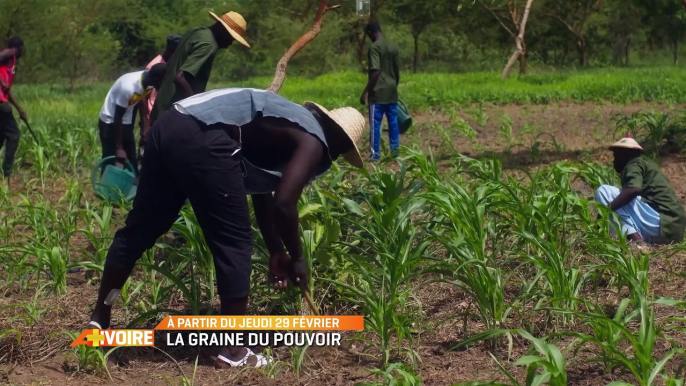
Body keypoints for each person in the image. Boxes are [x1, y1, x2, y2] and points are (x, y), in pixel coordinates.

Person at [86, 88, 364, 368]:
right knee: (235, 242)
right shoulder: (314, 140)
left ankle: (99, 320)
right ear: (338, 146)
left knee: (140, 230)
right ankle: (232, 351)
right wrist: (299, 259)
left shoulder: (288, 121)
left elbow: (262, 190)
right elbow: (285, 203)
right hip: (203, 137)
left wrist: (276, 250)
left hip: (170, 125)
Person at [149, 11, 250, 125]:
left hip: (160, 109)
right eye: (231, 38)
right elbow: (180, 78)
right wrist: (199, 106)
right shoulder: (209, 45)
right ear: (223, 31)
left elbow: (170, 67)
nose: (230, 43)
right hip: (176, 115)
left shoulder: (197, 32)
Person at [595, 134, 686, 245]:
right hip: (673, 227)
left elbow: (633, 190)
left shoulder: (634, 163)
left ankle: (638, 242)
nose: (613, 161)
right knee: (620, 199)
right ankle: (642, 239)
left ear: (624, 154)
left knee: (605, 191)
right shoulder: (645, 165)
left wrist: (605, 211)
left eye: (616, 156)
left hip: (662, 220)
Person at [98, 64, 167, 173]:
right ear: (156, 79)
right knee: (111, 159)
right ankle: (104, 189)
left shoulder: (149, 82)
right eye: (163, 83)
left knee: (131, 160)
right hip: (110, 121)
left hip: (125, 121)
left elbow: (142, 100)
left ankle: (129, 188)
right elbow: (118, 117)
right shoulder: (128, 87)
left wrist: (145, 128)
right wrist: (119, 147)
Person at [359, 21, 400, 161]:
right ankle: (395, 152)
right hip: (392, 89)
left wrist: (366, 92)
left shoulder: (374, 48)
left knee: (375, 123)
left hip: (378, 91)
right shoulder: (392, 46)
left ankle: (375, 154)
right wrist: (394, 85)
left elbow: (375, 72)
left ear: (370, 33)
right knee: (393, 122)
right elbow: (396, 70)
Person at [138, 34, 182, 150]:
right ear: (170, 50)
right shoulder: (155, 65)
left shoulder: (173, 64)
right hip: (153, 114)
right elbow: (143, 96)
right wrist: (146, 126)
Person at [0, 36, 27, 182]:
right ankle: (6, 174)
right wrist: (1, 81)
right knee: (14, 135)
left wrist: (19, 109)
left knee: (2, 135)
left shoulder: (11, 63)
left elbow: (7, 91)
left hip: (2, 101)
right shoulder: (10, 53)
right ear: (19, 48)